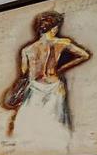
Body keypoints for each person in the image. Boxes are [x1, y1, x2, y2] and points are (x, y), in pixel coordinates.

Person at [7, 9, 92, 146]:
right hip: (54, 86)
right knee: (56, 124)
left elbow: (24, 73)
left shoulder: (27, 50)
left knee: (30, 124)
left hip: (34, 88)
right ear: (55, 27)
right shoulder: (62, 43)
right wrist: (61, 68)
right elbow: (84, 55)